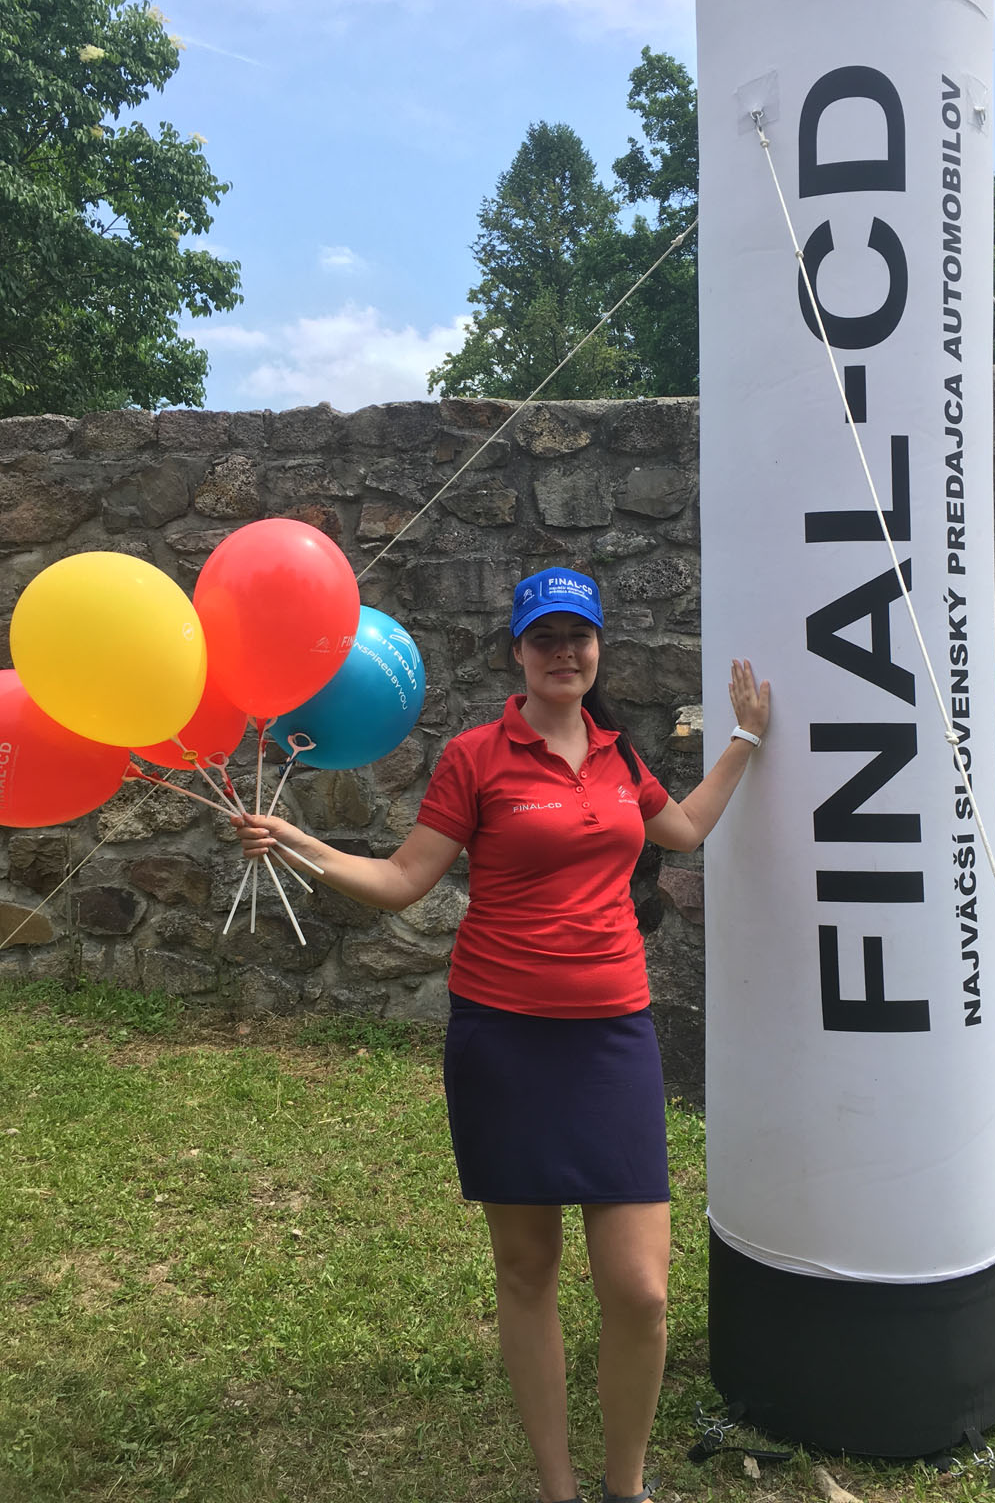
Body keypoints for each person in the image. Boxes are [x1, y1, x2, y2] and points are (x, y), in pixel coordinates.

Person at [235, 567, 770, 1503]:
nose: (565, 653)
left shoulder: (619, 754)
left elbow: (681, 830)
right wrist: (299, 843)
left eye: (579, 636)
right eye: (545, 637)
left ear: (598, 649)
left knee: (642, 1290)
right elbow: (404, 880)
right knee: (527, 1270)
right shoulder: (476, 756)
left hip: (611, 1039)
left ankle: (626, 1489)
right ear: (516, 652)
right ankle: (559, 1490)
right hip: (505, 1038)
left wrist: (746, 740)